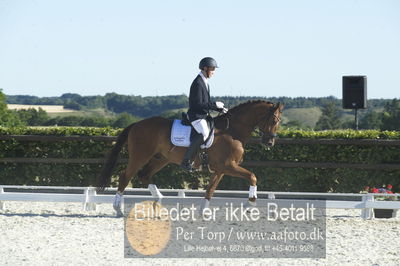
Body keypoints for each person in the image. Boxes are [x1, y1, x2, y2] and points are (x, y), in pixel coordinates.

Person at [180, 57, 228, 172]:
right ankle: (186, 162)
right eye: (212, 69)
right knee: (204, 133)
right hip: (196, 116)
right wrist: (214, 104)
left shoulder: (204, 81)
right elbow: (198, 104)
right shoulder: (198, 83)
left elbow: (205, 104)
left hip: (203, 115)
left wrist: (219, 109)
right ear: (205, 68)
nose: (213, 72)